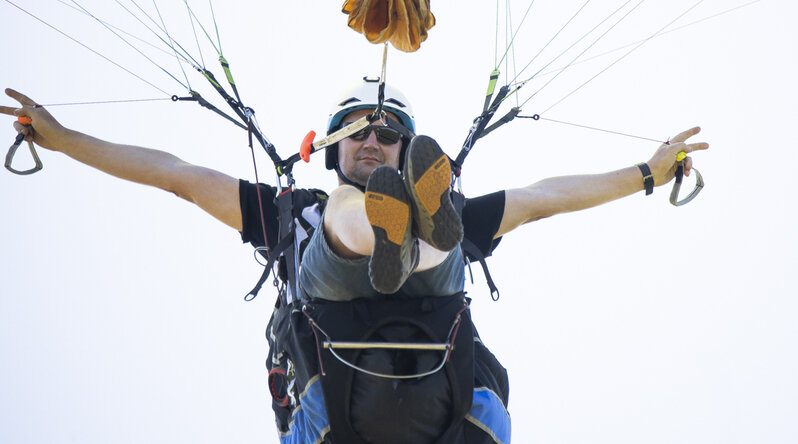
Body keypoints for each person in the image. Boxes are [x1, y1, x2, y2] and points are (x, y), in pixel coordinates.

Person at [1, 80, 709, 443]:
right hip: (379, 406)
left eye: (390, 132)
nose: (372, 139)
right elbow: (176, 173)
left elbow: (546, 195)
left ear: (409, 153)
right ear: (332, 145)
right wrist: (66, 140)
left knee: (420, 235)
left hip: (425, 413)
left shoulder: (341, 213)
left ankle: (410, 237)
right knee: (342, 214)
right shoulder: (293, 209)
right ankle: (391, 237)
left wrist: (644, 174)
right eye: (357, 131)